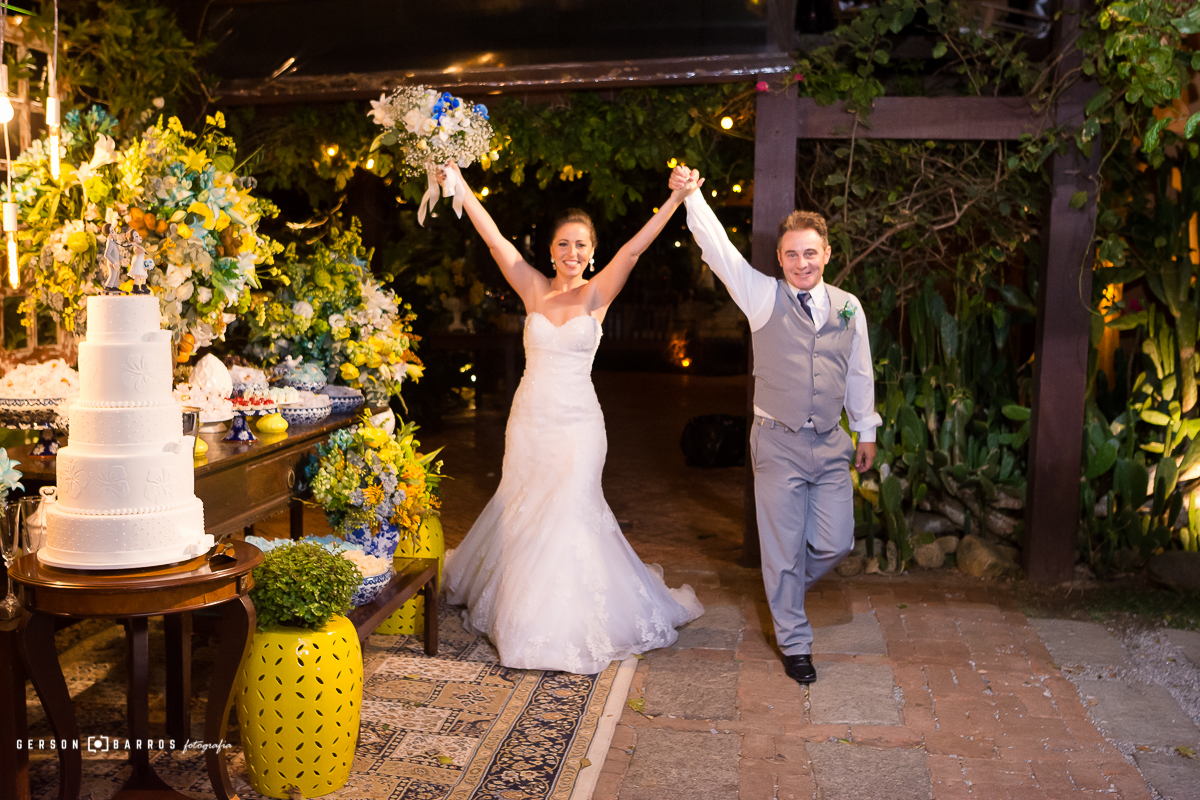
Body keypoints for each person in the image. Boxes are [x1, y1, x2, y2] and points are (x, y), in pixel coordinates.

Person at [441, 162, 704, 674]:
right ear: (551, 250)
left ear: (592, 251)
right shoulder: (533, 289)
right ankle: (524, 616)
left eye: (581, 244)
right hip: (530, 422)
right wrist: (461, 186)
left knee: (570, 510)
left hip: (579, 426)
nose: (572, 253)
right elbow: (495, 241)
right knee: (526, 513)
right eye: (564, 243)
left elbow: (634, 249)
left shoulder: (596, 294)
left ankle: (567, 624)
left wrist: (675, 200)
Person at [672, 166, 880, 685]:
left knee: (837, 544)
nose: (801, 261)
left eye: (811, 252)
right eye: (792, 253)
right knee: (783, 549)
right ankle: (794, 642)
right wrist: (694, 198)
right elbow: (720, 251)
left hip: (831, 443)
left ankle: (781, 590)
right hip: (777, 444)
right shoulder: (762, 296)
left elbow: (859, 371)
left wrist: (866, 429)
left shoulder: (849, 308)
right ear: (780, 258)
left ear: (827, 254)